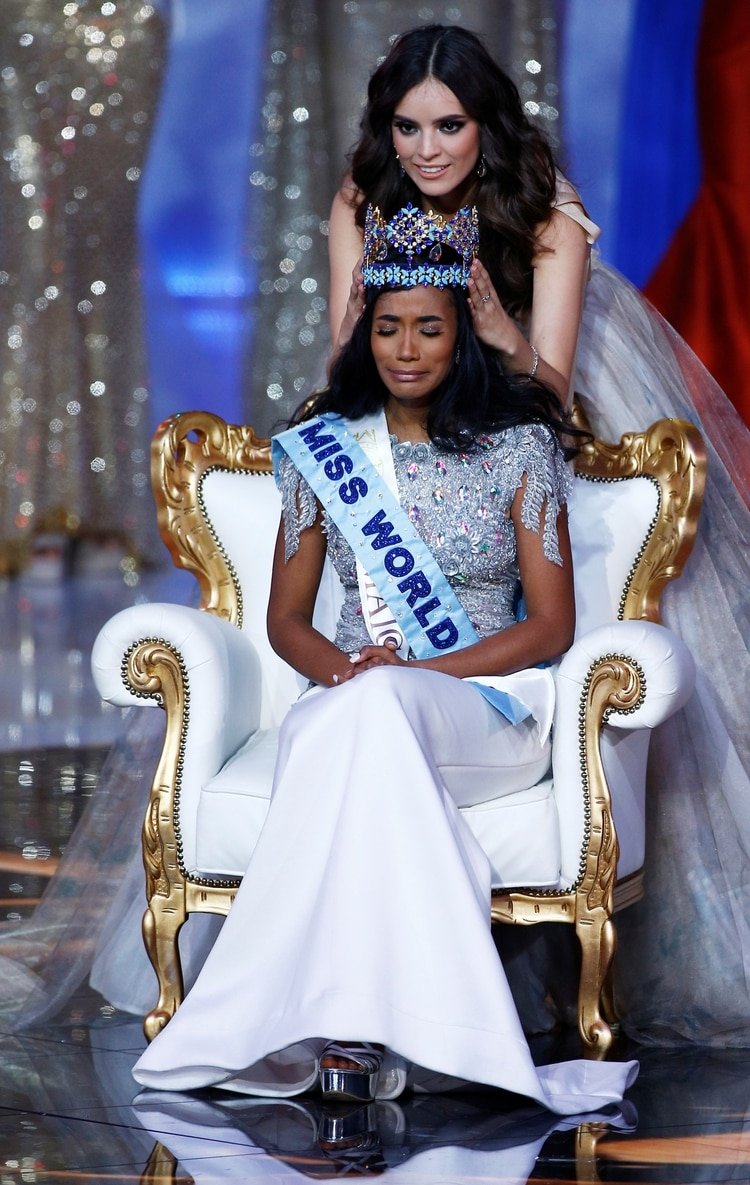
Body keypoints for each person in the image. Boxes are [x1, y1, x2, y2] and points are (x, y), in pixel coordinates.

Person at [130, 203, 638, 1114]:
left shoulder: (519, 443)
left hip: (488, 706)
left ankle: (316, 1028)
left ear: (461, 334)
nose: (408, 348)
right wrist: (348, 673)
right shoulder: (326, 447)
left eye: (430, 328)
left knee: (363, 718)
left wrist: (412, 678)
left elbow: (553, 627)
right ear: (366, 331)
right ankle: (375, 1035)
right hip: (358, 695)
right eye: (390, 326)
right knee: (355, 719)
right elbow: (287, 620)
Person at [325, 24, 750, 1047]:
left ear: (487, 125)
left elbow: (552, 393)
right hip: (406, 439)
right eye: (407, 127)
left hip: (527, 441)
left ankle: (549, 964)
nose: (428, 150)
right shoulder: (362, 202)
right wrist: (360, 306)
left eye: (451, 126)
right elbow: (348, 368)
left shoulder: (544, 220)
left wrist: (484, 314)